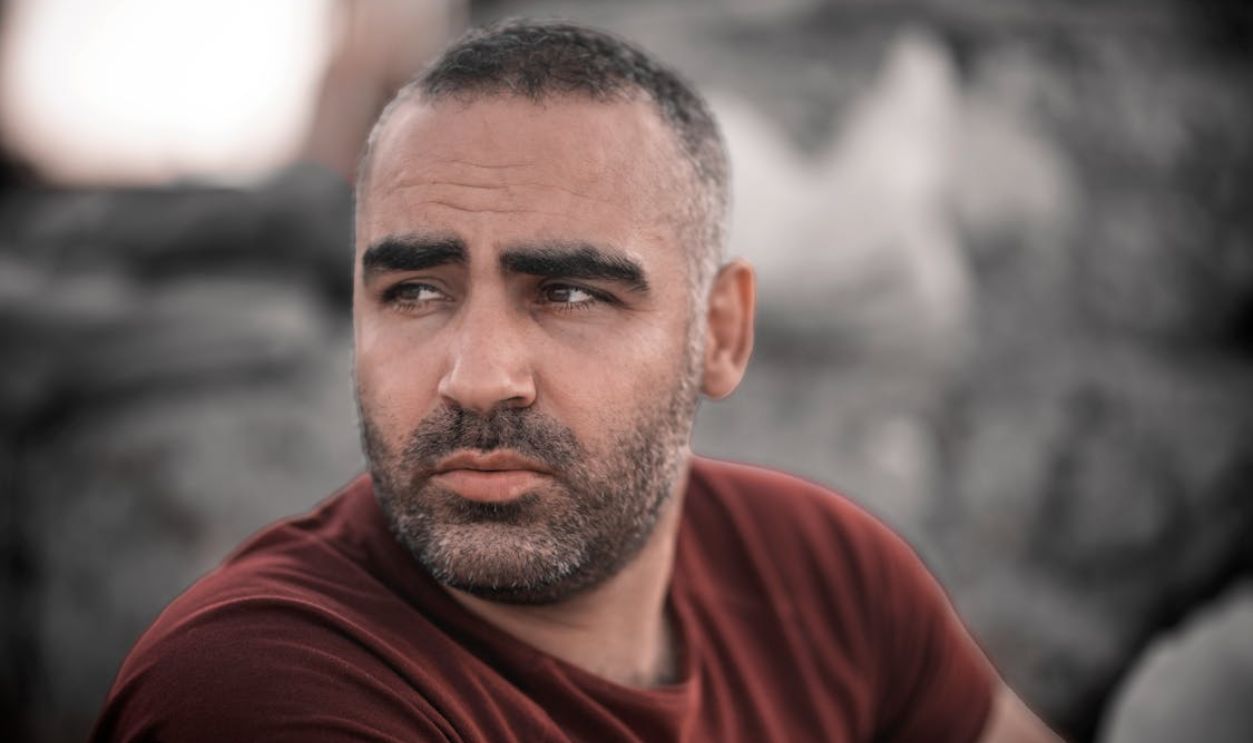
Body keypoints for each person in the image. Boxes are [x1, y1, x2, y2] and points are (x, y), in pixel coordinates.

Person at [93, 20, 1060, 743]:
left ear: (719, 336)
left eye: (566, 293)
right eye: (415, 291)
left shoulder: (830, 575)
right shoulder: (257, 688)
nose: (474, 379)